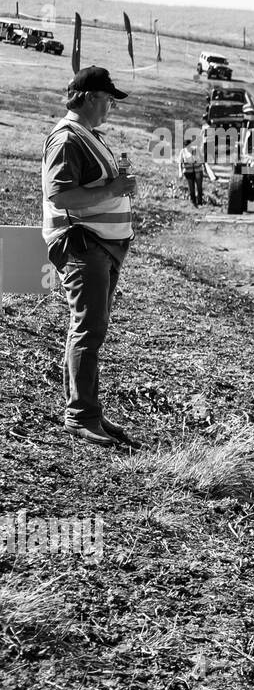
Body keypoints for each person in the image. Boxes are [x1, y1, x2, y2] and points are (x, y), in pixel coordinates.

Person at [41, 66, 141, 449]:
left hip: (100, 244)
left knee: (92, 327)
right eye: (106, 99)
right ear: (85, 98)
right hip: (82, 242)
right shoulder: (67, 139)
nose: (111, 107)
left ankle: (89, 411)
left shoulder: (86, 136)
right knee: (88, 327)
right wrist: (114, 188)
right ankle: (80, 415)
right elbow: (60, 196)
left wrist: (116, 187)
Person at [177, 138, 203, 206]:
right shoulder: (183, 151)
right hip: (188, 172)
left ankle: (200, 202)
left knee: (199, 187)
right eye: (186, 146)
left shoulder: (196, 149)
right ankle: (193, 202)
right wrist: (180, 172)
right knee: (191, 188)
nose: (187, 147)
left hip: (198, 170)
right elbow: (180, 162)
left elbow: (202, 159)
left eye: (188, 145)